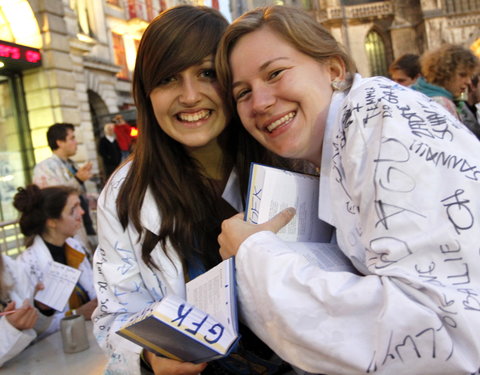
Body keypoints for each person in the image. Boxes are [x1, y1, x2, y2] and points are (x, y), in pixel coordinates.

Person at [215, 6, 480, 374]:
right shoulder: (341, 139)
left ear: (334, 69)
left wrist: (252, 253)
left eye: (275, 73)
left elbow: (438, 336)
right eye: (242, 92)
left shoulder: (381, 119)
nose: (260, 103)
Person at [92, 5, 295, 375]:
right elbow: (113, 315)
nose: (189, 96)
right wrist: (149, 358)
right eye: (168, 78)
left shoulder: (288, 156)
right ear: (147, 93)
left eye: (206, 73)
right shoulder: (125, 195)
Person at [14, 184, 97, 338]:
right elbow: (34, 328)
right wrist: (75, 313)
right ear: (52, 221)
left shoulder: (75, 247)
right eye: (73, 209)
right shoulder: (26, 265)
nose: (82, 212)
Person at [33, 123, 97, 253]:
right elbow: (54, 198)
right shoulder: (45, 167)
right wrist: (78, 179)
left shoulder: (71, 165)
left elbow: (81, 196)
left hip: (84, 227)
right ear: (60, 142)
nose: (76, 142)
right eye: (72, 138)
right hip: (65, 236)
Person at [0, 254, 51, 366]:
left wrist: (40, 308)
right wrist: (10, 329)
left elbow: (35, 331)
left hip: (31, 363)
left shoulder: (11, 267)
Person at [411, 44, 479, 127]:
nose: (468, 82)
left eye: (470, 76)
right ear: (444, 72)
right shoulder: (441, 103)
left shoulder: (414, 91)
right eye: (462, 75)